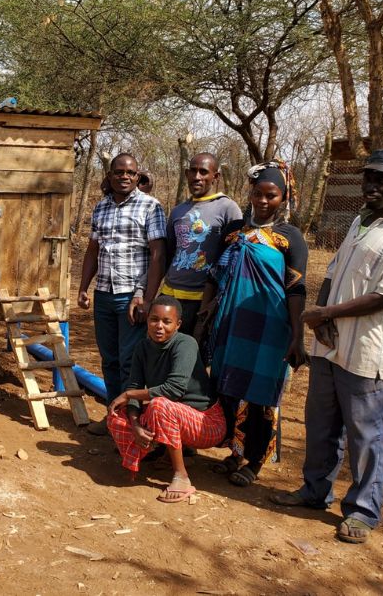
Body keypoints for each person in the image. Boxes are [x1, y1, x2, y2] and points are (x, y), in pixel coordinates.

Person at [271, 149, 383, 544]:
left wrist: (327, 313)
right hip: (329, 345)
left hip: (366, 350)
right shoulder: (360, 221)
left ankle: (362, 510)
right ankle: (314, 491)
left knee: (365, 434)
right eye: (368, 177)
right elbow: (334, 272)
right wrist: (321, 318)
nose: (372, 185)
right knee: (321, 425)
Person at [197, 160, 308, 487]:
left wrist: (297, 336)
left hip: (269, 330)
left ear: (283, 198)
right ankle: (234, 450)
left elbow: (297, 289)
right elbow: (213, 278)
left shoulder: (290, 238)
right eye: (258, 194)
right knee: (228, 386)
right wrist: (203, 320)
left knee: (260, 393)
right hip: (230, 325)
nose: (262, 201)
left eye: (271, 196)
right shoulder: (234, 232)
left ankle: (255, 460)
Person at [78, 153, 167, 435]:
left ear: (138, 175)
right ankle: (112, 416)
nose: (124, 176)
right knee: (110, 359)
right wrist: (83, 287)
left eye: (130, 172)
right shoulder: (101, 207)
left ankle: (132, 422)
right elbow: (93, 251)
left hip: (133, 297)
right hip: (104, 293)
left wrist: (147, 297)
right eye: (118, 172)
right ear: (110, 175)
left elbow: (158, 254)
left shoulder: (150, 207)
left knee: (130, 361)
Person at [107, 296, 224, 502]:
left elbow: (173, 390)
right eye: (154, 320)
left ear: (177, 324)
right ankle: (161, 449)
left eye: (166, 321)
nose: (159, 326)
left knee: (159, 405)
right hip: (174, 415)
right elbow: (134, 386)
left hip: (206, 423)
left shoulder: (186, 344)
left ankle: (182, 477)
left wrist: (128, 395)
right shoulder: (142, 348)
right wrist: (134, 424)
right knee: (115, 414)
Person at [162, 153, 242, 334]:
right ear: (186, 174)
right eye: (193, 171)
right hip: (170, 294)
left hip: (202, 299)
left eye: (203, 172)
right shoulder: (177, 211)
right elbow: (168, 253)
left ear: (216, 176)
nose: (197, 177)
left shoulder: (228, 208)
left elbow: (234, 258)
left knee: (193, 355)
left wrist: (216, 300)